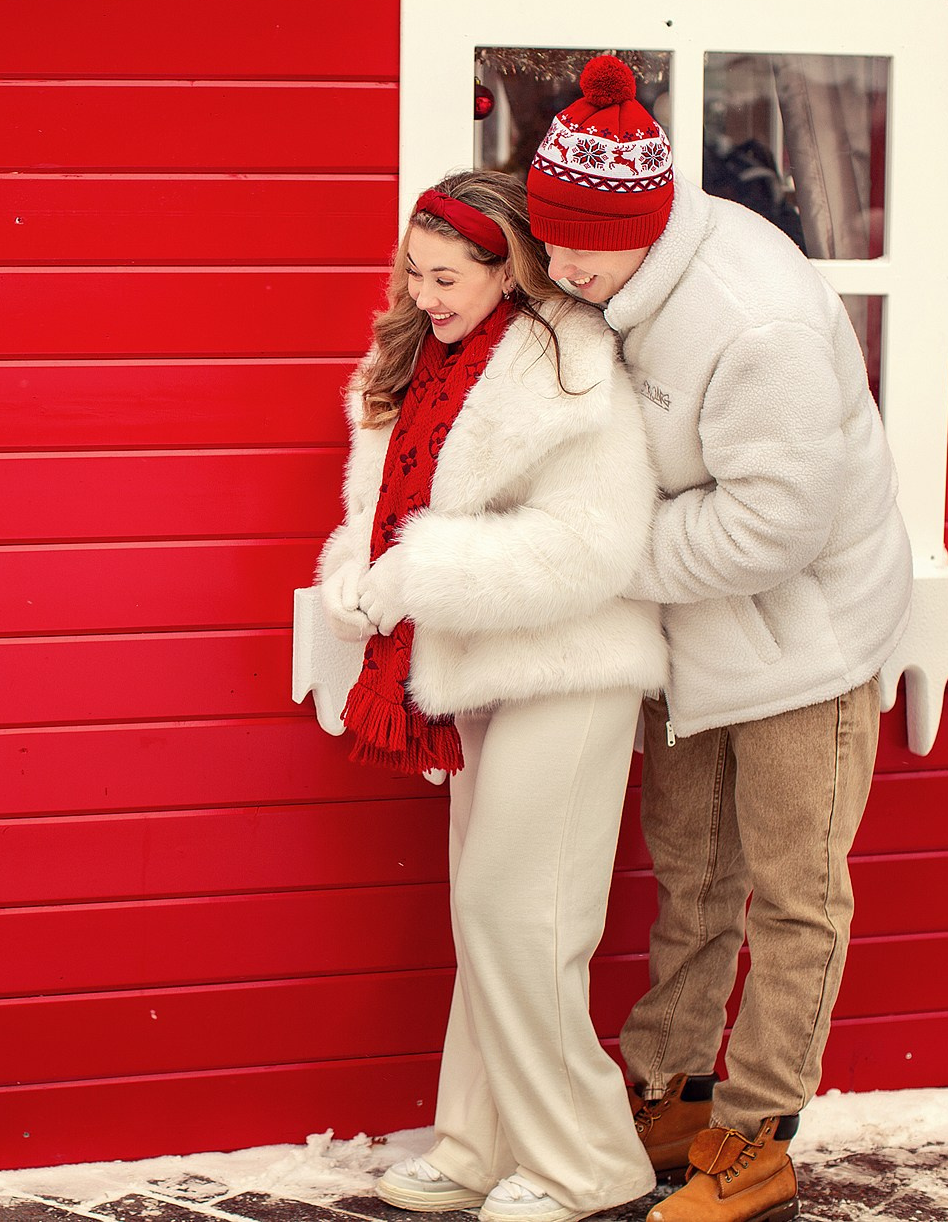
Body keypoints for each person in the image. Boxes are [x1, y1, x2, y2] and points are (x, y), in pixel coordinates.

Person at [527, 56, 913, 1222]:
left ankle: (757, 1135)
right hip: (694, 634)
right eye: (547, 246)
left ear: (641, 228)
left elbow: (772, 526)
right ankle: (671, 1089)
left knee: (792, 892)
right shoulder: (613, 274)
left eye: (575, 253)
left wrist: (604, 548)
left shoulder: (755, 326)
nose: (557, 273)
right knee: (690, 871)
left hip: (805, 638)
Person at [319, 169, 667, 1222]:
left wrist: (413, 576)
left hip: (570, 664)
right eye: (411, 273)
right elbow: (382, 511)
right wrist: (351, 570)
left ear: (502, 265)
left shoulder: (567, 371)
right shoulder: (423, 364)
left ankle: (587, 1159)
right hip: (476, 672)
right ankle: (479, 1140)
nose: (421, 294)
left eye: (442, 275)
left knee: (521, 914)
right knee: (488, 916)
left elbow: (590, 546)